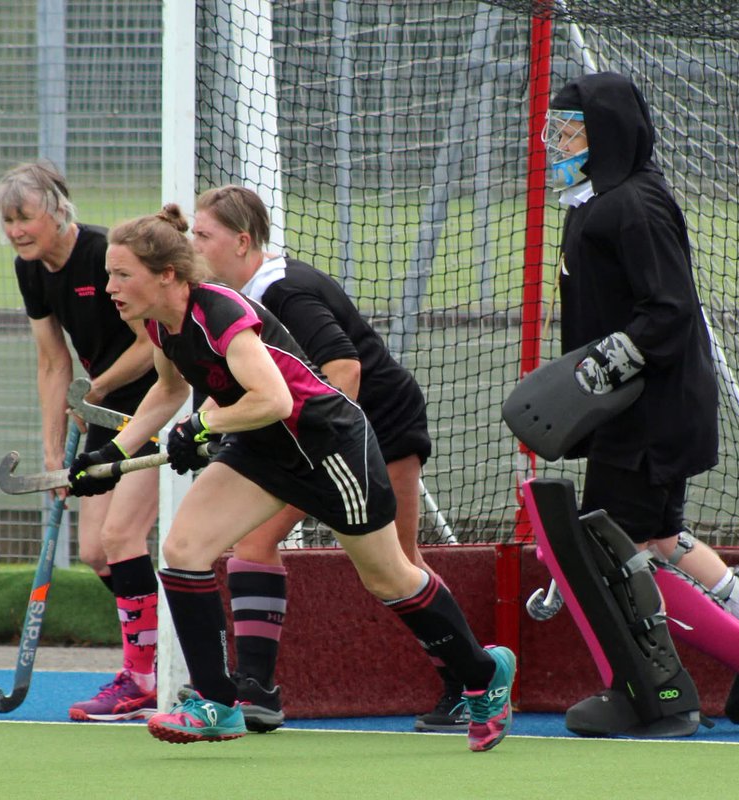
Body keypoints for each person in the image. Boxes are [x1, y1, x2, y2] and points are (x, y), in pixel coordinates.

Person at [67, 204, 516, 752]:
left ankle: (482, 675)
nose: (109, 285)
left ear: (166, 274)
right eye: (110, 275)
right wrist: (112, 452)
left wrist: (204, 424)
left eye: (121, 274)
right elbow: (168, 391)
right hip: (261, 450)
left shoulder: (221, 313)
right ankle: (217, 702)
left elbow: (274, 398)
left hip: (327, 450)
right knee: (183, 548)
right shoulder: (160, 324)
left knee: (390, 579)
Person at [542, 71, 739, 731]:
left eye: (569, 128)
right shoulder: (601, 201)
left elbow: (666, 313)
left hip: (644, 417)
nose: (555, 140)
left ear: (606, 133)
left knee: (611, 553)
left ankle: (662, 687)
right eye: (552, 128)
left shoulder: (631, 207)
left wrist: (600, 367)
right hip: (642, 410)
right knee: (660, 536)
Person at [191, 184, 467, 734]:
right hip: (311, 437)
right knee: (254, 543)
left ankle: (469, 684)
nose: (193, 245)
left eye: (204, 235)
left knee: (399, 567)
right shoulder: (230, 301)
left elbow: (345, 370)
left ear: (242, 241)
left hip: (377, 428)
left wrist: (313, 451)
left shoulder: (286, 291)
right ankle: (257, 692)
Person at [0, 161, 163, 723]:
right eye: (7, 220)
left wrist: (100, 387)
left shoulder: (103, 255)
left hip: (157, 400)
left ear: (58, 210)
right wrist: (50, 447)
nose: (16, 230)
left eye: (24, 217)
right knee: (94, 550)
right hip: (102, 413)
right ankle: (164, 645)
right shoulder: (31, 269)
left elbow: (152, 342)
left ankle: (143, 679)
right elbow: (52, 360)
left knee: (120, 535)